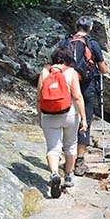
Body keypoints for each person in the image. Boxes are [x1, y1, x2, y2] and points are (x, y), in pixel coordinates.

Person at [37, 46, 87, 198]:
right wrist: (84, 117)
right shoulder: (71, 73)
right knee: (70, 145)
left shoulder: (45, 72)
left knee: (53, 147)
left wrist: (39, 114)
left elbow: (39, 96)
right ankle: (69, 176)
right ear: (68, 60)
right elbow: (77, 97)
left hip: (48, 115)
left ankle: (54, 174)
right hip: (69, 115)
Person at [64, 16, 108, 176]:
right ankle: (80, 161)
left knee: (67, 118)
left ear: (76, 26)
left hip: (68, 85)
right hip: (87, 86)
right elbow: (103, 69)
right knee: (85, 120)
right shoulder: (93, 44)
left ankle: (68, 156)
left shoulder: (65, 42)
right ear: (89, 28)